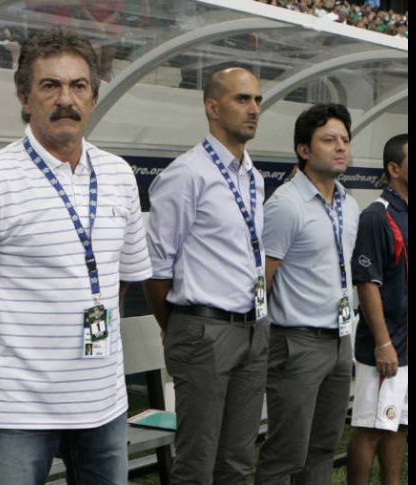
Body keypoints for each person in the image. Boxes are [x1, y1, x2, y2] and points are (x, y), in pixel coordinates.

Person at [0, 28, 152, 485]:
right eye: (49, 86)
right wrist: (13, 350)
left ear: (93, 97)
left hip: (103, 404)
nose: (65, 99)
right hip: (18, 407)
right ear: (25, 98)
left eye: (78, 86)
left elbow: (120, 281)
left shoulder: (120, 175)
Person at [144, 67, 270, 485]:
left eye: (257, 100)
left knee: (237, 460)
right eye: (242, 99)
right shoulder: (187, 174)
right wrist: (179, 325)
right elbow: (156, 269)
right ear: (212, 108)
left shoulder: (253, 176)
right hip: (204, 328)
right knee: (197, 462)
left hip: (252, 328)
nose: (253, 109)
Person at [255, 103, 360, 485]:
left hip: (338, 338)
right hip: (296, 341)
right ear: (303, 150)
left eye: (345, 140)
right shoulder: (285, 205)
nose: (340, 148)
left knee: (323, 447)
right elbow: (261, 282)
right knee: (287, 451)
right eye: (328, 140)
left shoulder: (348, 205)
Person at [346, 134, 408, 485]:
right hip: (384, 346)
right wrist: (383, 343)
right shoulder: (377, 216)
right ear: (394, 168)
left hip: (408, 345)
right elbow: (367, 282)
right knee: (370, 429)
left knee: (398, 423)